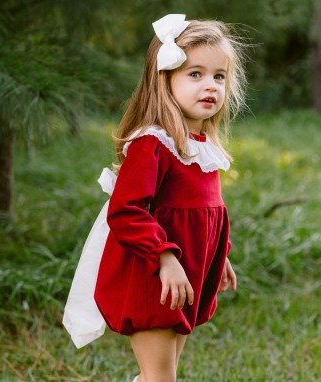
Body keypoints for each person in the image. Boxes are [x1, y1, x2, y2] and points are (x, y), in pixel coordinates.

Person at [71, 13, 247, 382]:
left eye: (219, 76)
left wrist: (221, 252)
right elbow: (126, 210)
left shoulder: (201, 146)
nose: (210, 85)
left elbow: (206, 210)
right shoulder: (153, 143)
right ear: (164, 79)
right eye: (194, 74)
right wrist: (164, 257)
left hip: (184, 279)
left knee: (163, 374)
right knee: (161, 378)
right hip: (153, 276)